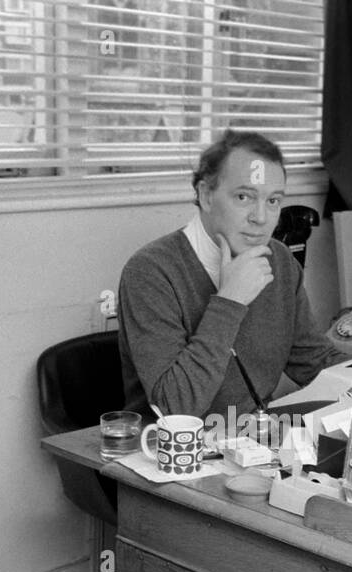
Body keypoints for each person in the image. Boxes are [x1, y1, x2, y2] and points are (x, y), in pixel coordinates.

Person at [117, 130, 339, 421]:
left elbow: (313, 360)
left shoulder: (281, 261)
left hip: (253, 444)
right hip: (172, 453)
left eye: (273, 201)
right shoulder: (151, 272)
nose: (261, 218)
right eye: (244, 196)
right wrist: (229, 302)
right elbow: (176, 409)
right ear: (206, 196)